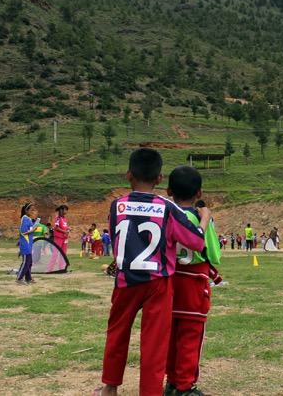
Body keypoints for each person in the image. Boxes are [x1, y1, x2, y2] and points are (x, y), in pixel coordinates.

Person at [93, 148, 208, 396]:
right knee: (154, 343)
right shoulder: (167, 208)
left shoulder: (117, 205)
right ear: (159, 178)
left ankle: (109, 388)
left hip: (125, 280)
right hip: (158, 282)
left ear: (128, 175)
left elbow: (116, 236)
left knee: (117, 333)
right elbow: (196, 242)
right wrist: (205, 218)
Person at [164, 166, 221, 396]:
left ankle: (171, 382)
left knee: (170, 337)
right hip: (194, 286)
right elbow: (214, 255)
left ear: (169, 191)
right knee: (190, 337)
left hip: (168, 284)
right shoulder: (201, 218)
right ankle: (185, 386)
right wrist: (207, 220)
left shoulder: (167, 216)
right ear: (200, 193)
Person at [17, 203, 39, 285]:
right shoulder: (24, 218)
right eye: (31, 210)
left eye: (34, 210)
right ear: (26, 210)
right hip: (25, 244)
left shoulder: (29, 219)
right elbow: (23, 231)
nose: (33, 212)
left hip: (29, 244)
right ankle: (19, 278)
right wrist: (33, 230)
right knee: (26, 262)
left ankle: (28, 278)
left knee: (29, 262)